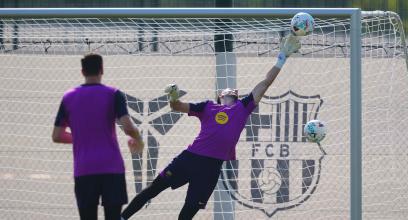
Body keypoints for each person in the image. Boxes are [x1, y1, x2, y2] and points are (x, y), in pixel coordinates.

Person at [121, 34, 301, 220]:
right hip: (190, 159)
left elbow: (265, 83)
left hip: (211, 167)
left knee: (188, 212)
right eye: (227, 92)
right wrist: (173, 96)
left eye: (235, 93)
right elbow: (177, 107)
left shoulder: (243, 107)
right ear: (220, 97)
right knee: (153, 189)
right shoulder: (208, 106)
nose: (232, 92)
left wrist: (282, 57)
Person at [52, 53, 144, 220]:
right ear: (102, 70)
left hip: (84, 169)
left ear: (82, 71)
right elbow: (128, 126)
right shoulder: (114, 94)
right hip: (112, 167)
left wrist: (81, 138)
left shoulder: (69, 97)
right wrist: (138, 138)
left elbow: (57, 135)